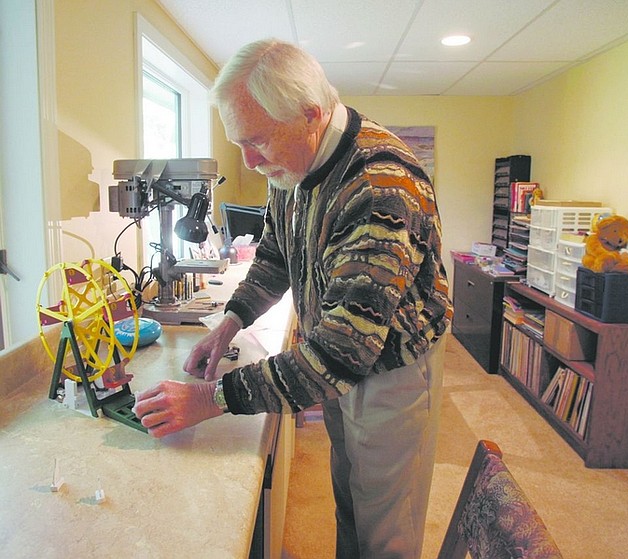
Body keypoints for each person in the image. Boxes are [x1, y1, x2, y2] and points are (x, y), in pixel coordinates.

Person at [133, 38, 452, 559]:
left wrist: (209, 399)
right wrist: (230, 321)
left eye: (256, 141)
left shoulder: (381, 187)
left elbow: (339, 355)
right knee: (350, 498)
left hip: (391, 369)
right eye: (240, 142)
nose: (249, 160)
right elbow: (277, 252)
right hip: (338, 354)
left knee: (385, 529)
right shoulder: (292, 162)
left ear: (310, 115)